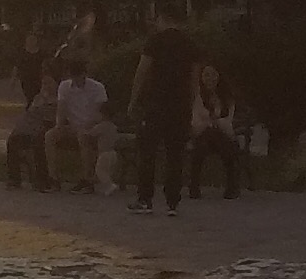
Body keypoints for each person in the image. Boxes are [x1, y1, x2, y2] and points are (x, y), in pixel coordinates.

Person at [127, 13, 200, 216]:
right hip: (180, 105)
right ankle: (172, 202)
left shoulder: (155, 41)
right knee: (175, 153)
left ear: (162, 19)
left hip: (156, 103)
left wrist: (133, 100)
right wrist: (193, 104)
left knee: (148, 151)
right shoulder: (190, 44)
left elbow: (142, 71)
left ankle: (145, 198)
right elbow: (194, 78)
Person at [181, 55, 245, 201]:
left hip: (222, 135)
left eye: (214, 75)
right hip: (201, 134)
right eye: (206, 75)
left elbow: (227, 122)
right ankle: (198, 185)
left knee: (218, 137)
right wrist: (212, 122)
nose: (210, 79)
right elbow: (196, 121)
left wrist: (214, 122)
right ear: (201, 77)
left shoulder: (227, 98)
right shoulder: (197, 96)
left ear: (219, 76)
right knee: (207, 137)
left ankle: (226, 185)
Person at [49, 53, 112, 193]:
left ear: (84, 74)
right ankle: (53, 178)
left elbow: (99, 113)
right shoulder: (64, 87)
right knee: (50, 136)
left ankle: (86, 179)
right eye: (74, 76)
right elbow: (61, 108)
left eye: (79, 76)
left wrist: (86, 126)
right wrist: (59, 125)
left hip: (91, 126)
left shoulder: (97, 88)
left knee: (82, 137)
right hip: (72, 125)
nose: (76, 80)